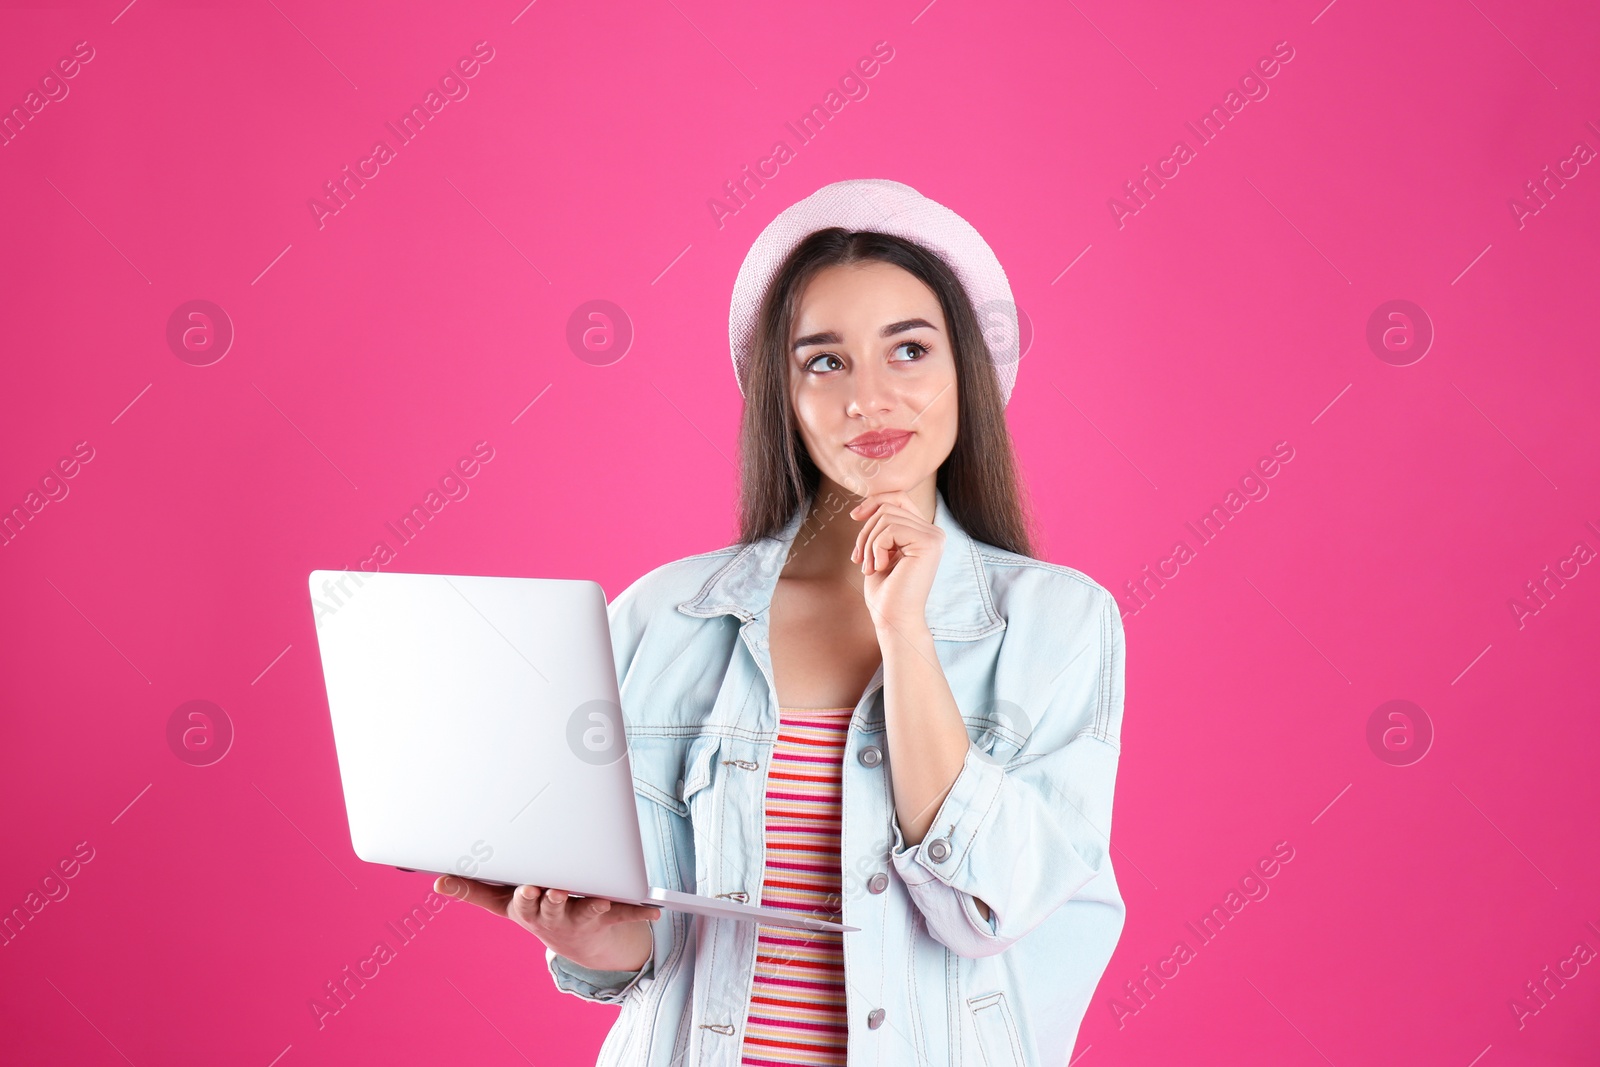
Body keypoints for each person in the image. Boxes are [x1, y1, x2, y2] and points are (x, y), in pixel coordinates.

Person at [437, 179, 1128, 1066]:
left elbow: (985, 907)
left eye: (908, 350)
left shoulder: (1059, 623)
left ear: (966, 368)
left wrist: (905, 631)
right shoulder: (664, 615)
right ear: (784, 395)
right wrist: (607, 949)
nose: (868, 399)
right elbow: (657, 937)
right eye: (825, 362)